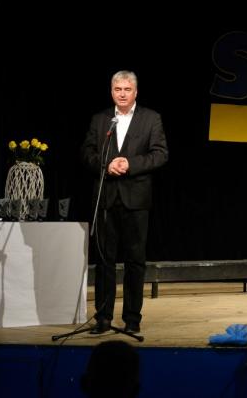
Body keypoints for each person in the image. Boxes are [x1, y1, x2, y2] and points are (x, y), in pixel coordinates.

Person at [81, 70, 168, 334]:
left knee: (134, 261)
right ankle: (103, 318)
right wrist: (106, 165)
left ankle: (132, 319)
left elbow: (160, 154)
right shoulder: (100, 120)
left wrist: (130, 164)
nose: (122, 94)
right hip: (106, 198)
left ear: (135, 92)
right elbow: (87, 153)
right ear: (111, 91)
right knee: (104, 261)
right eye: (117, 89)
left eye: (127, 89)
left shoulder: (151, 118)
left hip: (136, 199)